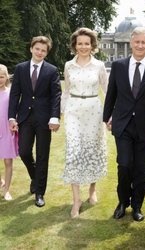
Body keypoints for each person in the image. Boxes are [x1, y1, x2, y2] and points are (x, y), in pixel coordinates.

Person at [103, 26, 145, 222]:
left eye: (144, 42)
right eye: (137, 41)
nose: (140, 45)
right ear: (131, 43)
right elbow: (111, 94)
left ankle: (137, 205)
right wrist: (107, 118)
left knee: (141, 167)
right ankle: (123, 202)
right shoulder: (119, 66)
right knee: (124, 164)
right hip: (122, 124)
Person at [8, 36, 62, 207]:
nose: (40, 52)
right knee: (24, 152)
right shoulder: (20, 68)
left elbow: (56, 96)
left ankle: (39, 192)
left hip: (45, 119)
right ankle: (35, 178)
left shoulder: (52, 70)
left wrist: (55, 117)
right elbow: (15, 94)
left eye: (43, 50)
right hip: (24, 118)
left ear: (47, 53)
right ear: (31, 48)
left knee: (42, 155)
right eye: (37, 48)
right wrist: (11, 117)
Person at [61, 27, 108, 218]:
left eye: (86, 43)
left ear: (92, 45)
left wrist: (111, 114)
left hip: (93, 110)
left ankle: (92, 189)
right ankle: (76, 200)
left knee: (92, 149)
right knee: (73, 151)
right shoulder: (68, 65)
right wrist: (61, 113)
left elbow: (106, 90)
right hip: (73, 111)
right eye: (79, 43)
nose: (83, 46)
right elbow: (66, 90)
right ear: (75, 45)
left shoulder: (99, 65)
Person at [0, 64, 18, 200]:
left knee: (7, 162)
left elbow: (15, 111)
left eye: (1, 76)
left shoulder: (11, 92)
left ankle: (6, 190)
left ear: (6, 77)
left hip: (7, 131)